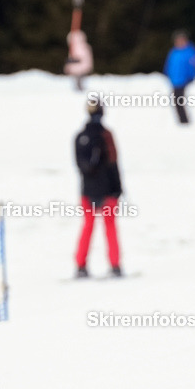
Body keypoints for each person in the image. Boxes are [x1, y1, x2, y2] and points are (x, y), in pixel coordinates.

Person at [74, 97, 123, 277]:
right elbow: (113, 164)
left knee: (89, 226)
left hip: (88, 191)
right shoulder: (105, 135)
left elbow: (81, 166)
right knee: (108, 227)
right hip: (107, 190)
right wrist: (118, 188)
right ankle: (115, 265)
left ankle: (81, 265)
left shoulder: (80, 137)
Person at [163, 30, 195, 124]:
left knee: (185, 101)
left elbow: (194, 66)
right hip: (175, 81)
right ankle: (182, 121)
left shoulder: (190, 52)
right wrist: (167, 74)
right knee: (177, 101)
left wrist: (191, 77)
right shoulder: (173, 52)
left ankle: (186, 121)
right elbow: (169, 65)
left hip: (186, 81)